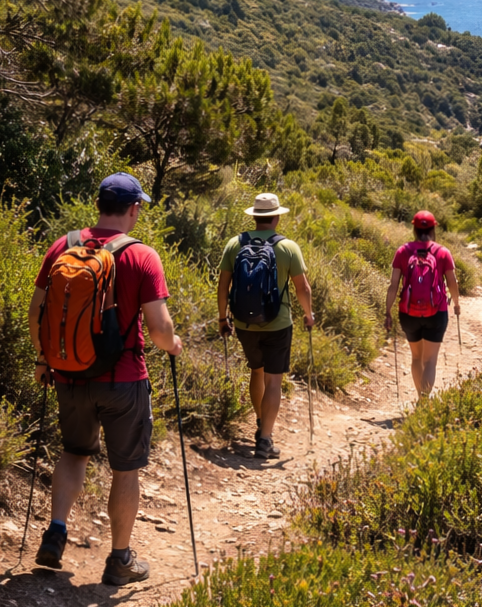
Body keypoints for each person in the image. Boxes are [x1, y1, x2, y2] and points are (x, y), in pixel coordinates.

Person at [27, 173, 182, 586]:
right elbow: (159, 328)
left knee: (73, 453)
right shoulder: (142, 255)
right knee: (125, 470)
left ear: (98, 204)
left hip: (68, 374)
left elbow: (36, 311)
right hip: (123, 380)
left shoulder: (63, 246)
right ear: (134, 209)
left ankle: (56, 532)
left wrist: (44, 359)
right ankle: (119, 560)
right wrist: (173, 345)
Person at [217, 193, 314, 460]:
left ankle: (261, 422)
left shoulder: (234, 244)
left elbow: (223, 286)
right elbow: (303, 288)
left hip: (244, 323)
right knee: (274, 380)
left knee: (256, 372)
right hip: (278, 324)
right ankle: (265, 439)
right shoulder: (288, 247)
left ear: (255, 217)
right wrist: (309, 315)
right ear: (276, 217)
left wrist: (223, 319)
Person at [384, 211, 461, 399]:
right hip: (436, 312)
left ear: (414, 229)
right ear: (433, 229)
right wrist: (457, 304)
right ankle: (424, 402)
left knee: (416, 358)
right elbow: (452, 283)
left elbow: (393, 285)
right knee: (430, 361)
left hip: (408, 313)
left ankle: (420, 396)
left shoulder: (403, 251)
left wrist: (388, 312)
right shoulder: (443, 252)